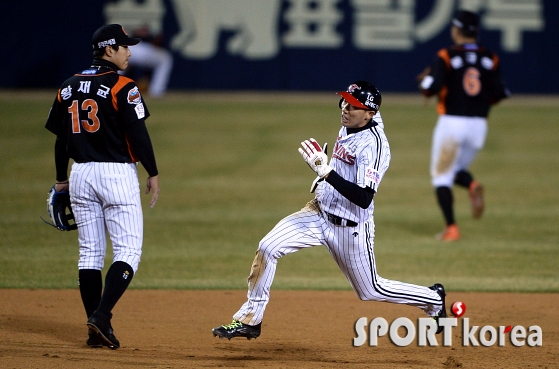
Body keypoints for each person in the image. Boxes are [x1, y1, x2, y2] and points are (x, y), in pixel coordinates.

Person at [212, 81, 447, 340]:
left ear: (370, 114)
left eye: (353, 106)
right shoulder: (356, 120)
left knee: (370, 290)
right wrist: (328, 173)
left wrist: (327, 172)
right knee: (268, 247)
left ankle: (433, 298)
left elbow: (364, 197)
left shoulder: (374, 146)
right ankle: (250, 320)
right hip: (318, 212)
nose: (345, 109)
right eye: (344, 102)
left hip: (350, 227)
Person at [45, 24, 160, 349]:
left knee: (90, 253)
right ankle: (101, 315)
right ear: (109, 50)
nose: (130, 51)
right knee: (127, 252)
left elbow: (60, 140)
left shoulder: (68, 86)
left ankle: (94, 329)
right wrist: (152, 171)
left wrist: (61, 179)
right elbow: (138, 133)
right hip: (117, 175)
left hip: (79, 173)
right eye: (124, 46)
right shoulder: (123, 86)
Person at [417, 10, 510, 241]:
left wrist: (424, 80)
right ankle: (472, 184)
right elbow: (500, 93)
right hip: (479, 126)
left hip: (451, 123)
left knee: (441, 177)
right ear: (476, 31)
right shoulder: (491, 58)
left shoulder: (447, 55)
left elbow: (431, 86)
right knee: (455, 168)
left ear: (456, 29)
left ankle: (451, 228)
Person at [125, 25, 173, 98]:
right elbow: (158, 40)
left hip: (127, 47)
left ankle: (110, 87)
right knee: (165, 59)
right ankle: (156, 92)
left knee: (119, 62)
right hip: (138, 47)